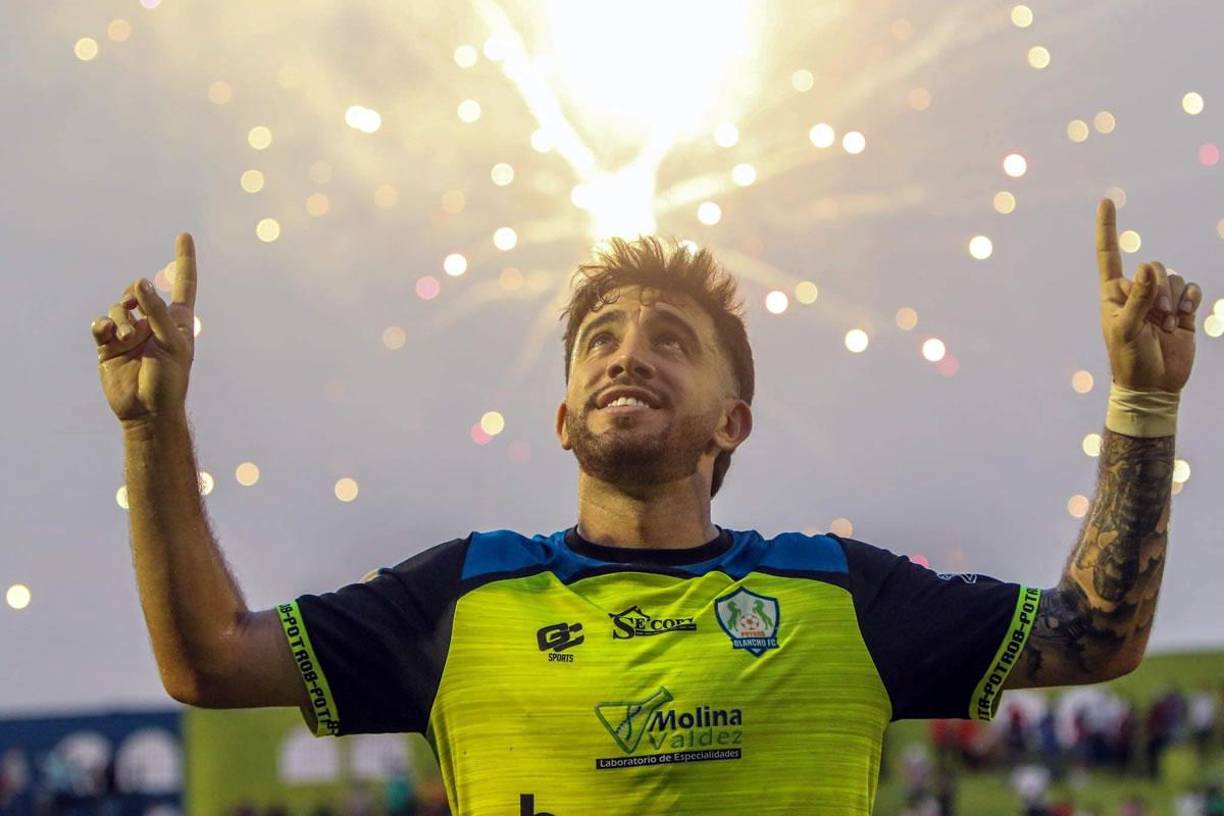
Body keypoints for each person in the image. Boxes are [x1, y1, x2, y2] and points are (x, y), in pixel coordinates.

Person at [90, 199, 1204, 815]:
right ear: (565, 416)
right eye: (599, 342)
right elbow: (209, 664)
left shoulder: (836, 592)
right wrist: (151, 426)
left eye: (673, 341)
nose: (629, 355)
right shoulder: (462, 593)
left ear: (734, 423)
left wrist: (1144, 402)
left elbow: (1095, 636)